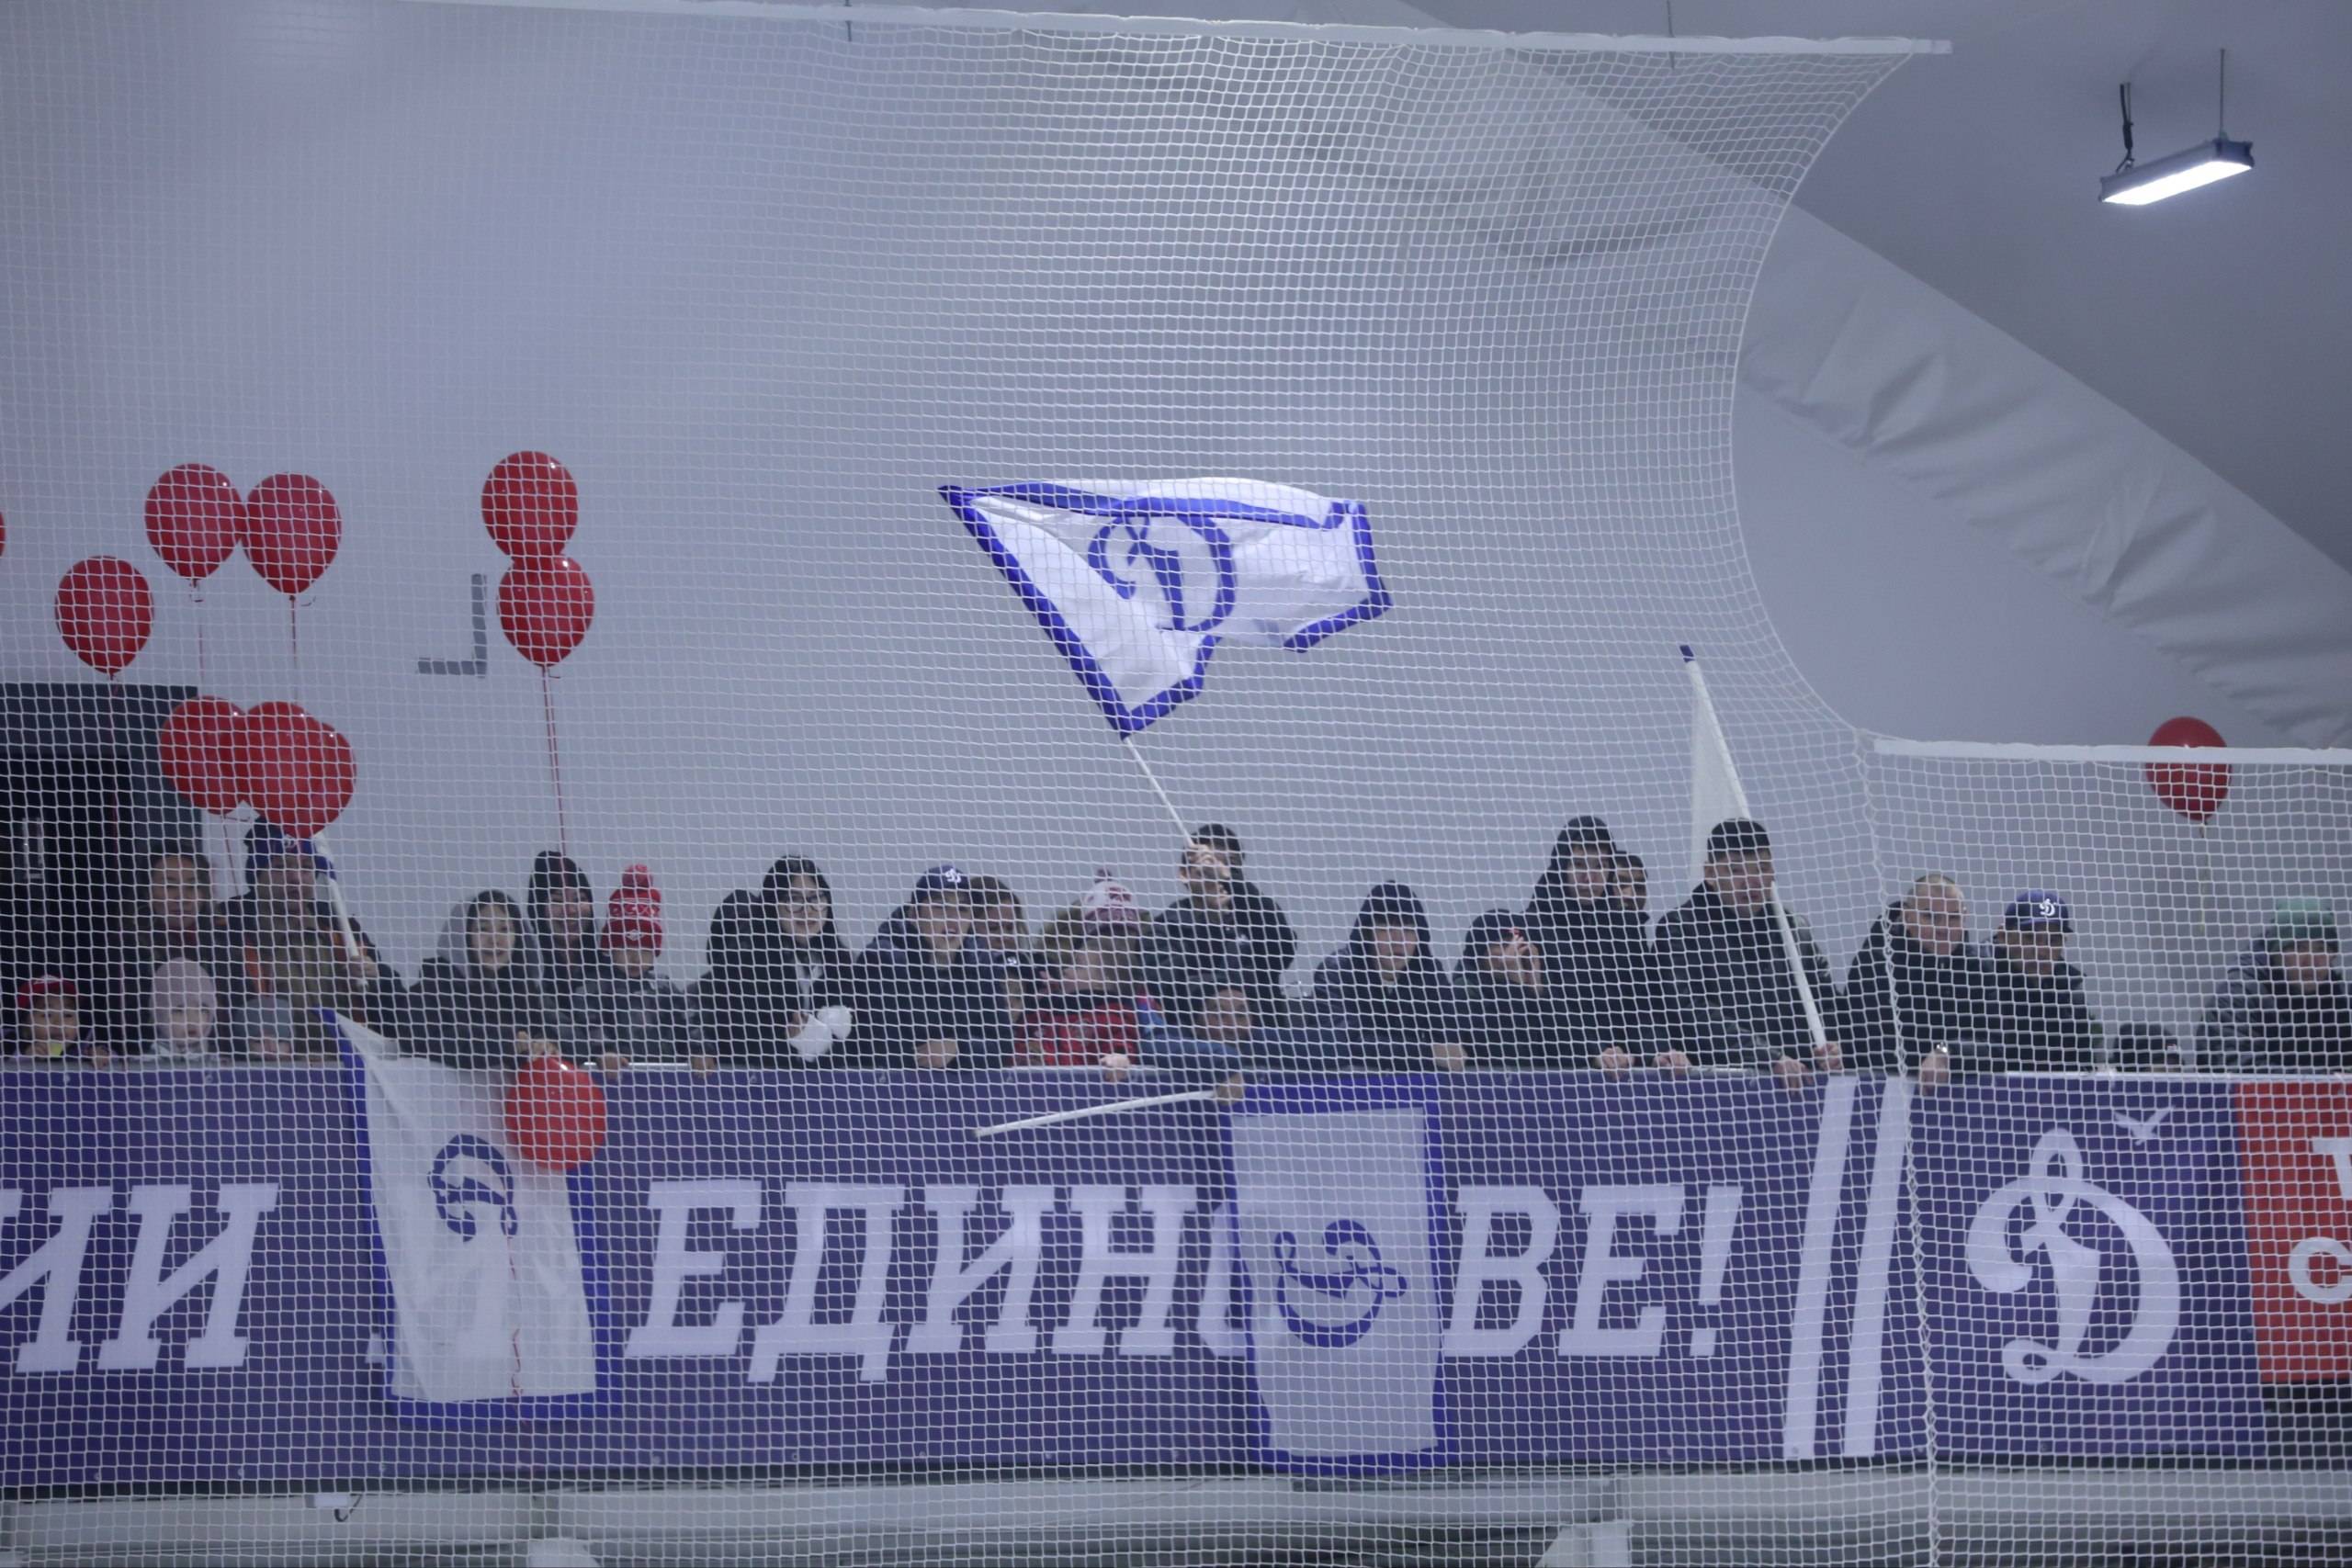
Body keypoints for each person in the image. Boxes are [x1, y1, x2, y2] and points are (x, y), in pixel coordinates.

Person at [1654, 818, 1840, 1087]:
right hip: (1715, 1086)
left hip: (1800, 1083)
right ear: (1710, 873)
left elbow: (1828, 1003)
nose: (1750, 882)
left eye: (1761, 869)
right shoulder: (1680, 928)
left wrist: (1833, 1045)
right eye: (1735, 870)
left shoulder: (1795, 931)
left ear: (1773, 871)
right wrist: (1770, 1057)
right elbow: (1690, 1010)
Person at [223, 822, 388, 1062]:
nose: (295, 878)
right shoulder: (228, 933)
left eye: (306, 867)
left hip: (350, 1069)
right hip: (275, 1073)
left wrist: (378, 978)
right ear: (256, 875)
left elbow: (393, 1012)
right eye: (280, 867)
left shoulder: (342, 930)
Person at [695, 857, 858, 1067]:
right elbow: (740, 1043)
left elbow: (862, 1047)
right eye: (794, 899)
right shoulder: (743, 961)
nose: (807, 909)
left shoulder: (844, 963)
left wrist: (823, 1044)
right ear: (773, 905)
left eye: (815, 897)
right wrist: (805, 1044)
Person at [1522, 817, 1659, 1064]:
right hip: (1560, 1069)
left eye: (1599, 866)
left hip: (1624, 1068)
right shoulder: (1533, 927)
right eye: (1579, 865)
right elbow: (1545, 1007)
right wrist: (1592, 1053)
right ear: (1561, 866)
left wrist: (1656, 1055)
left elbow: (1642, 1005)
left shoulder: (1626, 928)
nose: (1589, 878)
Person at [845, 865, 1011, 1068]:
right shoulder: (883, 961)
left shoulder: (981, 965)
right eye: (941, 907)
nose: (953, 919)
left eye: (962, 909)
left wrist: (960, 1047)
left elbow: (1002, 1046)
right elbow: (882, 1053)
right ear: (914, 914)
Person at [1141, 824, 1297, 1032]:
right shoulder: (1164, 930)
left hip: (1262, 1043)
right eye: (1208, 863)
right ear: (1185, 874)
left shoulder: (1257, 917)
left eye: (1229, 866)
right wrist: (1210, 925)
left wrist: (1229, 879)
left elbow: (1283, 950)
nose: (1215, 872)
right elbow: (1165, 986)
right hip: (1195, 1045)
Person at [1933, 890, 2097, 1081]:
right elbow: (1990, 1049)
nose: (2042, 951)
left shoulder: (2070, 992)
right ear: (2003, 935)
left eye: (2053, 940)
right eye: (2030, 937)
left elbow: (2085, 1071)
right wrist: (1946, 1051)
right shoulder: (1973, 975)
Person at [1835, 874, 1984, 1074]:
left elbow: (1999, 1043)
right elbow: (1878, 1047)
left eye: (1954, 917)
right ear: (1907, 918)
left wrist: (1947, 1052)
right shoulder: (1876, 964)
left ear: (1964, 917)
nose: (1943, 928)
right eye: (1930, 916)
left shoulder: (1976, 967)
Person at [1309, 882, 1463, 1072]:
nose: (1398, 941)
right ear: (1367, 933)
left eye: (1408, 930)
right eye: (1387, 928)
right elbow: (1345, 1043)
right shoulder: (1336, 971)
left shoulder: (1428, 974)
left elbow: (1449, 1044)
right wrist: (1427, 1054)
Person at [107, 848, 243, 1058]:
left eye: (193, 886)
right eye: (169, 886)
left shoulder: (225, 951)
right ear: (147, 893)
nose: (183, 897)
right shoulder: (125, 953)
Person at [401, 891, 560, 1069]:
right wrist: (508, 1041)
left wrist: (549, 1042)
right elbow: (422, 1042)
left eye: (505, 929)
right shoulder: (431, 990)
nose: (495, 940)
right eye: (483, 929)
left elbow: (571, 1034)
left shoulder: (526, 988)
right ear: (462, 935)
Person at [2199, 899, 2352, 1074]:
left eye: (2321, 949)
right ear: (2276, 951)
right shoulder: (2238, 997)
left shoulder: (2342, 1000)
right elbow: (2241, 1071)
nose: (2311, 962)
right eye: (2299, 948)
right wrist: (2328, 1080)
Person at [573, 865, 701, 1072]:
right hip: (615, 1076)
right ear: (611, 949)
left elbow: (687, 1022)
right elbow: (589, 1024)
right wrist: (604, 1051)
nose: (635, 958)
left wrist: (698, 1050)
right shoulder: (594, 988)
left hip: (666, 1077)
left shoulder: (663, 987)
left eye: (644, 949)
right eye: (626, 948)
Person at [1015, 873, 1144, 1071]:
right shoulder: (1049, 1012)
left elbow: (1121, 1036)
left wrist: (1119, 1055)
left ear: (1104, 982)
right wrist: (1035, 1001)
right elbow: (1019, 1037)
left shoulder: (1112, 1014)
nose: (1066, 970)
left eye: (1077, 965)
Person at [1452, 908, 1574, 1067]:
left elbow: (1573, 1053)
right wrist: (1514, 986)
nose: (1514, 953)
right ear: (1479, 955)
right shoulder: (1463, 991)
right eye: (1503, 944)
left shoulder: (1537, 986)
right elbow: (1505, 1055)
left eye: (1520, 945)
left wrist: (1539, 992)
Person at [524, 852, 612, 1043]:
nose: (570, 910)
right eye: (556, 901)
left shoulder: (612, 968)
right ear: (537, 909)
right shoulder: (526, 972)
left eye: (579, 899)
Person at [12, 976, 105, 1066]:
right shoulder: (10, 1049)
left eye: (67, 1015)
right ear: (25, 1029)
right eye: (47, 1015)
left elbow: (109, 1054)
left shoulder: (86, 1047)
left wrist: (101, 1055)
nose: (60, 1023)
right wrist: (27, 1059)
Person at [148, 956, 226, 1062]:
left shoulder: (219, 1065)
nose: (192, 1021)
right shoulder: (143, 1067)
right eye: (180, 1011)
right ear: (160, 1013)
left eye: (201, 1010)